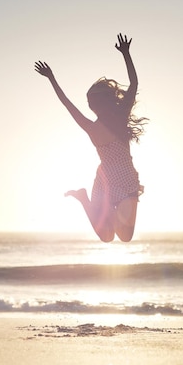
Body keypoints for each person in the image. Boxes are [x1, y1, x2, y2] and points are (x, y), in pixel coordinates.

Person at [35, 33, 147, 242]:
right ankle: (83, 198)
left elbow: (133, 84)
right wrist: (51, 79)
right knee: (106, 237)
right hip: (104, 180)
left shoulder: (119, 119)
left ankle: (92, 203)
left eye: (92, 101)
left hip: (125, 180)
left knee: (125, 237)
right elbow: (67, 103)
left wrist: (126, 54)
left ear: (104, 102)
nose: (89, 105)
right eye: (88, 102)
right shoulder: (90, 127)